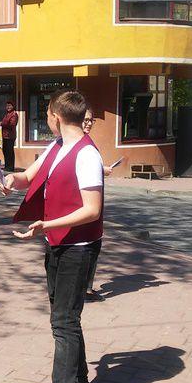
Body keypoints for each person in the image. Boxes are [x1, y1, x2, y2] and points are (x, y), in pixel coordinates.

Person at [0, 90, 105, 383]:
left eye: (47, 114)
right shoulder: (57, 146)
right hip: (57, 243)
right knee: (66, 319)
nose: (47, 119)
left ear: (56, 117)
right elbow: (28, 177)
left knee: (64, 322)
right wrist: (11, 180)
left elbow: (92, 210)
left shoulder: (86, 154)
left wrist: (48, 224)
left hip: (78, 247)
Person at [82, 108, 113, 302]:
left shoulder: (86, 143)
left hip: (92, 206)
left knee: (93, 245)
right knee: (89, 246)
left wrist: (101, 169)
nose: (88, 123)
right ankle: (83, 290)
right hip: (86, 207)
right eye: (85, 120)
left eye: (91, 120)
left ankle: (86, 288)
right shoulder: (80, 144)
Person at [1, 102, 19, 171]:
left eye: (9, 106)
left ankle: (10, 167)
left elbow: (12, 124)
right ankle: (7, 166)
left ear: (13, 106)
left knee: (9, 151)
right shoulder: (7, 114)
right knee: (5, 151)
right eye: (7, 106)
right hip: (5, 135)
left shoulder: (14, 114)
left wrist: (3, 124)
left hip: (10, 136)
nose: (8, 107)